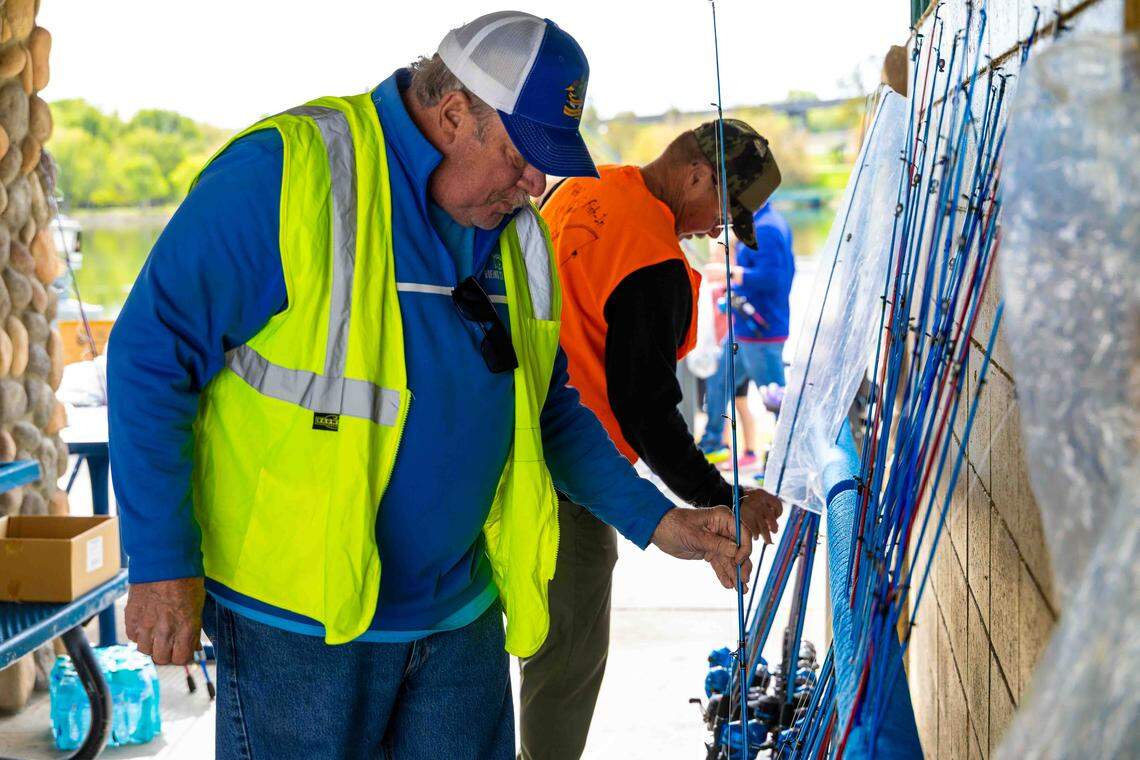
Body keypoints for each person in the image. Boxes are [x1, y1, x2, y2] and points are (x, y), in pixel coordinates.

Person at [107, 13, 754, 759]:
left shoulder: (518, 233)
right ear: (455, 115)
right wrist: (161, 565)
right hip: (300, 631)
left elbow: (543, 408)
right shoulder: (289, 171)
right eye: (522, 155)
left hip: (457, 625)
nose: (535, 182)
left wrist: (658, 522)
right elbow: (150, 355)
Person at [523, 120, 784, 760]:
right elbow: (645, 410)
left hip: (507, 441)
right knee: (568, 650)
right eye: (725, 213)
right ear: (697, 174)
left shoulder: (586, 187)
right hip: (572, 474)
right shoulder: (654, 259)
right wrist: (721, 498)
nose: (715, 232)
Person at [699, 202, 795, 461]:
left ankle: (786, 460)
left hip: (762, 333)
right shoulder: (764, 223)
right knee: (718, 381)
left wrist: (728, 273)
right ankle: (713, 445)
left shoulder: (767, 229)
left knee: (775, 399)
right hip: (743, 331)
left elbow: (774, 278)